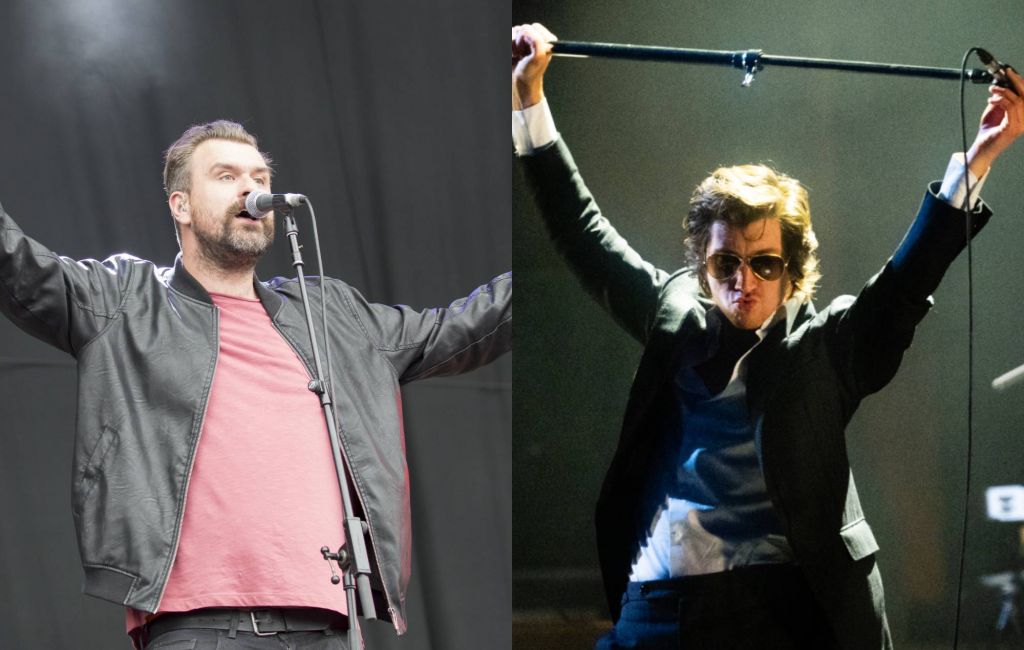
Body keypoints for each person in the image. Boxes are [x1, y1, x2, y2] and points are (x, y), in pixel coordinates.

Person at [512, 22, 1023, 650]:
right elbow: (583, 233)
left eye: (765, 264)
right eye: (726, 265)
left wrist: (979, 158)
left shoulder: (825, 346)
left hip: (782, 607)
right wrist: (530, 99)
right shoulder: (674, 313)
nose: (743, 283)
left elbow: (904, 282)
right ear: (705, 267)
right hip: (661, 603)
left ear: (794, 271)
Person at [0, 120, 511, 649]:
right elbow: (17, 267)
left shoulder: (329, 313)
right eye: (226, 176)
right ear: (181, 206)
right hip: (199, 628)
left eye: (259, 174)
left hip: (329, 627)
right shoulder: (126, 301)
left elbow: (464, 327)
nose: (251, 189)